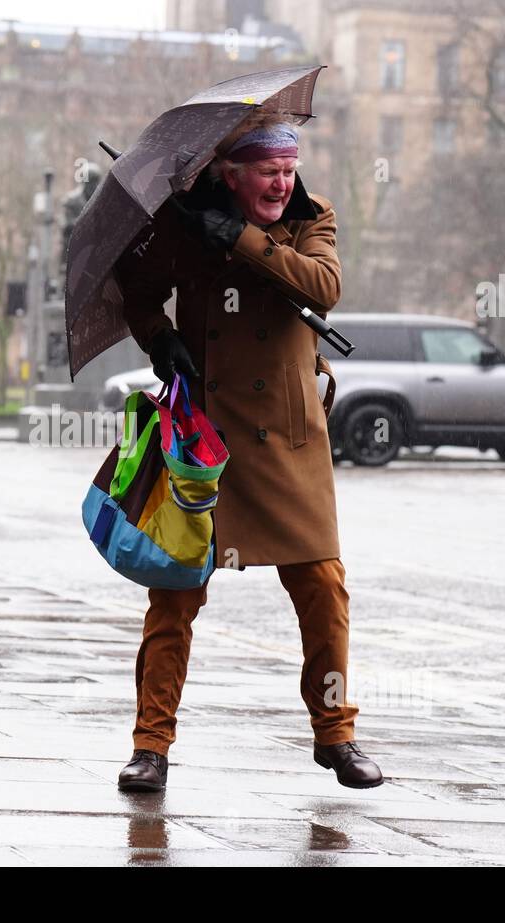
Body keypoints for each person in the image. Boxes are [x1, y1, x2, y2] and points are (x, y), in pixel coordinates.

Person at [112, 110, 383, 792]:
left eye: (288, 169)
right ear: (230, 174)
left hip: (290, 437)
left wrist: (241, 239)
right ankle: (151, 746)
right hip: (208, 437)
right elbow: (137, 292)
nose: (281, 182)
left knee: (323, 586)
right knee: (173, 595)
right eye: (267, 172)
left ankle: (336, 734)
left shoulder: (312, 217)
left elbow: (322, 286)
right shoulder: (183, 222)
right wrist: (159, 337)